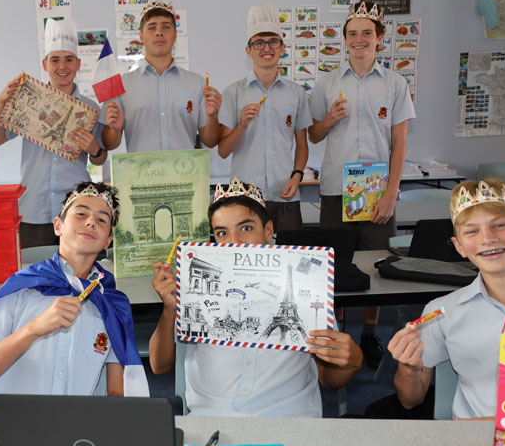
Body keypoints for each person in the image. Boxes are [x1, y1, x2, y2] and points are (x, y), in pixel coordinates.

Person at [147, 178, 362, 417]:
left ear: (268, 231)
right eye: (222, 233)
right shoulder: (196, 289)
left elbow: (330, 380)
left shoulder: (306, 288)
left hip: (290, 419)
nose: (234, 242)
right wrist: (169, 309)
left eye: (246, 228)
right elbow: (159, 365)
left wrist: (351, 361)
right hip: (212, 419)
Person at [0, 181, 149, 413]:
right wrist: (34, 328)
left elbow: (116, 392)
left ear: (108, 240)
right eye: (81, 213)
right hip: (9, 426)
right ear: (58, 226)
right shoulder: (21, 289)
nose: (90, 222)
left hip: (73, 429)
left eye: (102, 220)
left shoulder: (111, 305)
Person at [308, 1, 416, 368]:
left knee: (376, 265)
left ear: (379, 38)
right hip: (336, 190)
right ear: (344, 39)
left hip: (375, 192)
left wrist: (391, 194)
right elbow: (313, 134)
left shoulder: (395, 84)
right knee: (335, 265)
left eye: (366, 33)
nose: (359, 39)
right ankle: (337, 333)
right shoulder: (327, 82)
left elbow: (400, 143)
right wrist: (329, 119)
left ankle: (370, 334)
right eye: (352, 33)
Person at [388, 178, 505, 419]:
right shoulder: (442, 312)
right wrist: (409, 367)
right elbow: (410, 400)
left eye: (500, 225)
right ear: (460, 247)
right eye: (472, 231)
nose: (487, 238)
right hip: (473, 437)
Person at [0, 19, 108, 248]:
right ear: (45, 64)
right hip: (33, 208)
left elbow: (100, 157)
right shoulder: (28, 101)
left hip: (75, 209)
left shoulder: (90, 109)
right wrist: (1, 101)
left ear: (78, 64)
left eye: (69, 59)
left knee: (75, 267)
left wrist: (94, 149)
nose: (62, 66)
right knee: (35, 267)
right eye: (55, 60)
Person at [218, 4, 311, 232]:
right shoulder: (233, 92)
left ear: (282, 48)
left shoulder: (296, 93)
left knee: (289, 252)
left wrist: (297, 176)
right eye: (258, 43)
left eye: (273, 42)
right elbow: (223, 150)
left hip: (285, 194)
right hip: (245, 197)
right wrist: (241, 126)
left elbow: (302, 145)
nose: (266, 48)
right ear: (248, 50)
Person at [100, 0, 221, 152]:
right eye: (152, 27)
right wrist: (114, 130)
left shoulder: (197, 83)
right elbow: (109, 144)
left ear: (175, 35)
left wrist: (212, 117)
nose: (159, 32)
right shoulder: (121, 85)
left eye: (166, 27)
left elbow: (211, 141)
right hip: (140, 168)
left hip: (184, 168)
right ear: (141, 36)